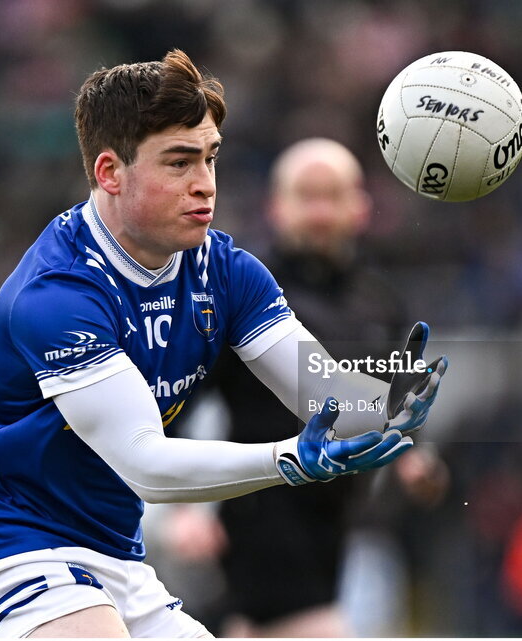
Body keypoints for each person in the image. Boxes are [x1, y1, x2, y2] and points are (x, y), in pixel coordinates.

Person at [0, 49, 447, 639]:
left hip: (122, 565)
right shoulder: (58, 295)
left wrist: (384, 404)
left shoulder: (226, 271)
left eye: (210, 158)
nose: (204, 184)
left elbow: (321, 393)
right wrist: (288, 461)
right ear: (110, 173)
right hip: (15, 559)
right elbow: (145, 465)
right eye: (179, 162)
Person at [162, 138, 450, 637]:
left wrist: (415, 461)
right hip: (259, 524)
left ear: (360, 207)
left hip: (344, 532)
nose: (320, 211)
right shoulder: (243, 292)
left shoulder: (381, 304)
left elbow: (397, 408)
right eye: (306, 195)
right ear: (277, 206)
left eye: (332, 195)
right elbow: (180, 401)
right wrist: (181, 510)